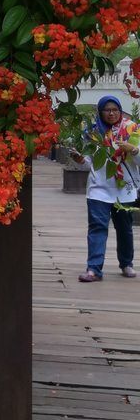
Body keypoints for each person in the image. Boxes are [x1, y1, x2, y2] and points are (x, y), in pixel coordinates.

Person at [72, 94, 140, 282]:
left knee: (125, 229)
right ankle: (93, 269)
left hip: (124, 189)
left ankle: (126, 264)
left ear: (120, 111)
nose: (111, 113)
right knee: (97, 228)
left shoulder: (133, 130)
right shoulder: (93, 134)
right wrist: (80, 159)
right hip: (98, 188)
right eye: (107, 110)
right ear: (100, 112)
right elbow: (90, 163)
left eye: (115, 110)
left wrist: (133, 150)